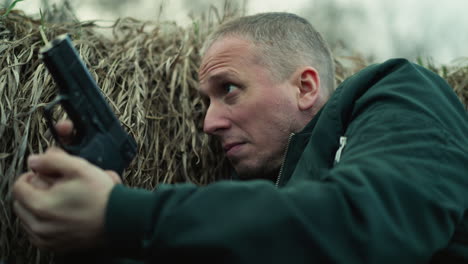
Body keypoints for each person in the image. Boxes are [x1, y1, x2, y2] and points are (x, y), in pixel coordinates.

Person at [12, 12, 468, 263]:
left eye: (228, 89)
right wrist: (91, 226)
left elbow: (365, 225)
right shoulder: (267, 203)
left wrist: (120, 214)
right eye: (205, 102)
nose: (208, 123)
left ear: (305, 86)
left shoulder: (394, 88)